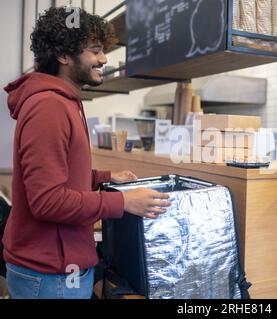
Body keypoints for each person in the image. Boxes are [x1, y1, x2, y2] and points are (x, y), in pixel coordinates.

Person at [2, 7, 170, 299]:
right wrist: (122, 201)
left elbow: (60, 176)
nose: (103, 59)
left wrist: (104, 177)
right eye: (95, 51)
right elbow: (48, 201)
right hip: (50, 275)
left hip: (55, 270)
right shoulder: (49, 107)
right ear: (64, 56)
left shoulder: (63, 101)